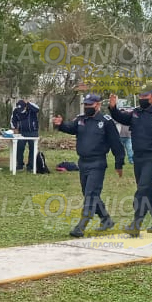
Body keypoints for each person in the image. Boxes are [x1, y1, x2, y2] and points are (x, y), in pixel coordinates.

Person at [107, 85, 152, 234]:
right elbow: (121, 118)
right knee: (148, 191)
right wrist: (113, 108)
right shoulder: (135, 113)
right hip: (138, 158)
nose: (142, 100)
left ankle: (136, 224)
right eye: (140, 97)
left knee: (142, 190)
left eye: (145, 98)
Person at [52, 94, 124, 237]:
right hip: (83, 163)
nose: (87, 107)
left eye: (90, 105)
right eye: (85, 104)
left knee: (91, 194)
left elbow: (116, 144)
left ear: (97, 105)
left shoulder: (106, 121)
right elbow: (71, 128)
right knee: (89, 193)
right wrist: (60, 125)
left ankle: (81, 225)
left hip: (97, 162)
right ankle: (106, 219)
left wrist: (119, 163)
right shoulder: (81, 120)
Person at [10, 99, 40, 172]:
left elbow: (37, 109)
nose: (21, 111)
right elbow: (13, 120)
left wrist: (28, 103)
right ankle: (20, 165)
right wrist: (14, 128)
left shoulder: (31, 108)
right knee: (19, 147)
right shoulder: (16, 111)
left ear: (26, 107)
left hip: (33, 132)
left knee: (33, 148)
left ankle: (31, 166)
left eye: (22, 109)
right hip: (22, 132)